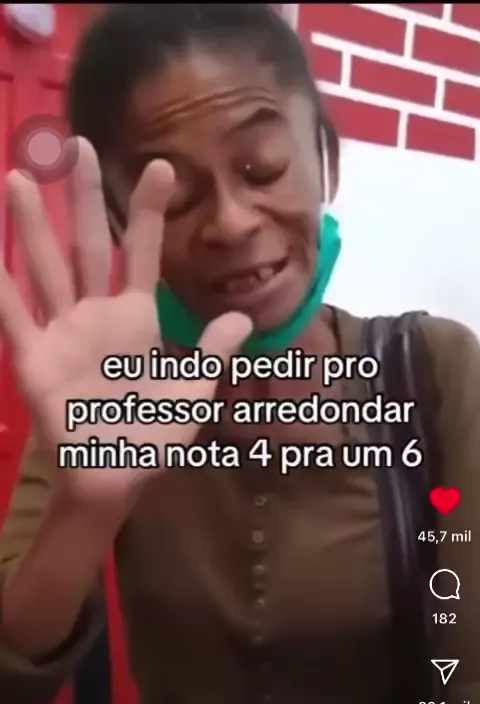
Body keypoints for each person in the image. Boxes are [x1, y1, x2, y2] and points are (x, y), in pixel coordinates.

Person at [0, 4, 478, 703]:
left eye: (264, 166)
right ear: (119, 219)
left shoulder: (436, 369)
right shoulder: (109, 391)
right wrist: (83, 514)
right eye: (175, 193)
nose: (230, 222)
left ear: (326, 160)